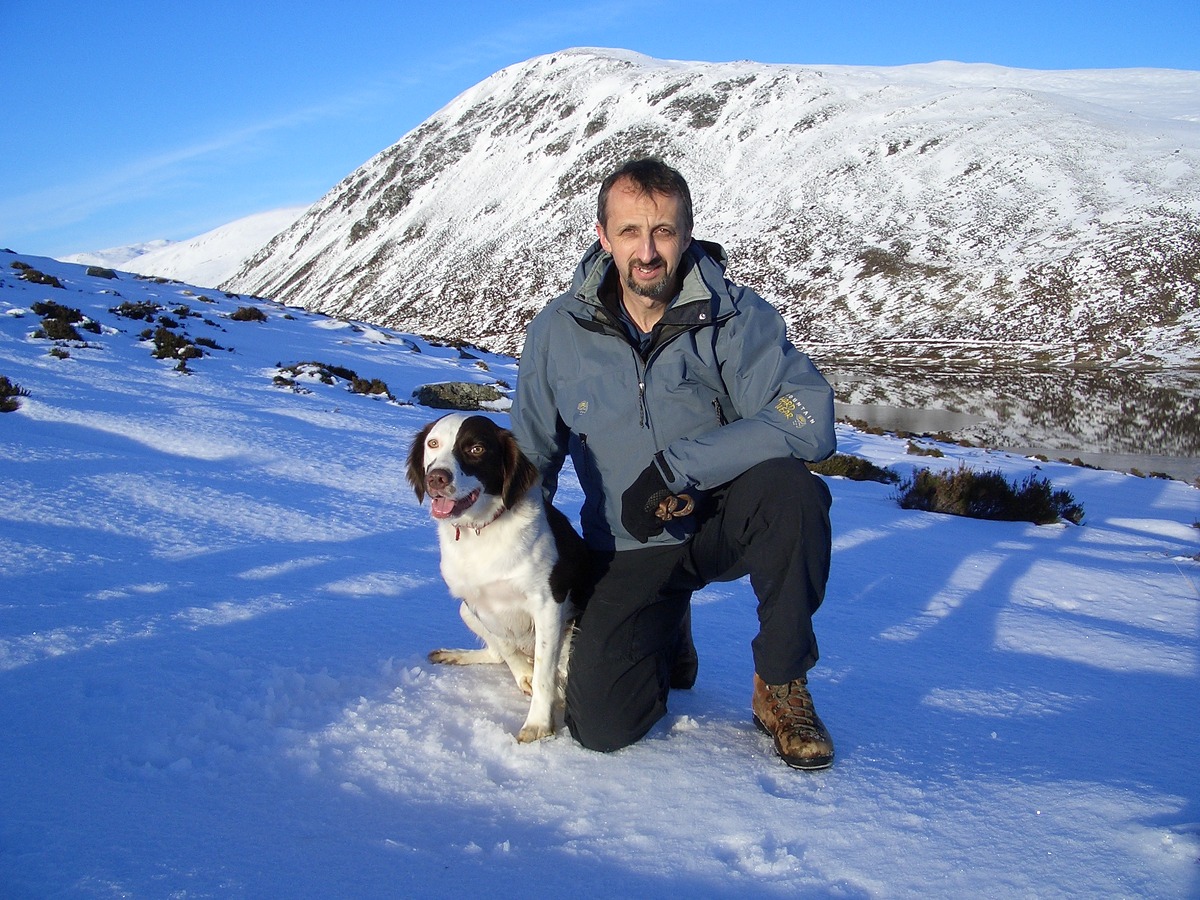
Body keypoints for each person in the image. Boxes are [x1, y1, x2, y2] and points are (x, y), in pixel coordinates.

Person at [511, 158, 837, 769]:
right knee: (603, 727)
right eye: (631, 231)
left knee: (792, 491)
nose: (648, 251)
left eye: (663, 231)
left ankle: (782, 682)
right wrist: (500, 551)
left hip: (722, 520)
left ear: (687, 234)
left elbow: (809, 418)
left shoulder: (735, 316)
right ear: (604, 238)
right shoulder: (558, 330)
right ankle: (666, 629)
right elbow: (533, 456)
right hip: (630, 543)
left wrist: (679, 467)